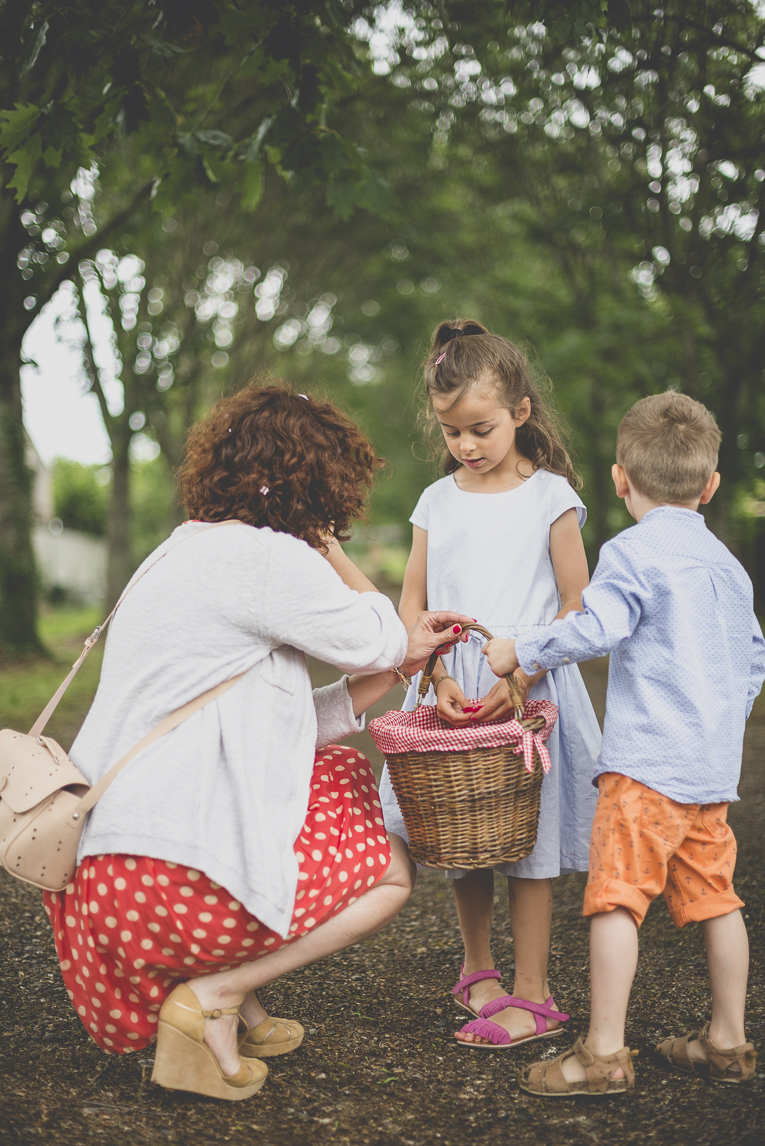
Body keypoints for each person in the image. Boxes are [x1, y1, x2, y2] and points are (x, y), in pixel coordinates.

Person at [43, 382, 471, 1102]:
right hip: (167, 881)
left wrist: (396, 664)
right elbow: (376, 629)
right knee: (391, 869)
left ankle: (235, 1018)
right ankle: (214, 993)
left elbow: (284, 721)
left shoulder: (178, 549)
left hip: (101, 881)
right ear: (318, 485)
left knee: (330, 769)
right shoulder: (272, 559)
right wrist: (333, 552)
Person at [483, 391, 765, 1095]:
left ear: (618, 479)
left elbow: (596, 627)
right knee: (717, 900)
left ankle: (602, 1054)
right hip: (707, 772)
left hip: (643, 769)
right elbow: (752, 657)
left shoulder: (631, 552)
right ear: (709, 486)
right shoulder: (727, 567)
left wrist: (522, 646)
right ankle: (728, 1040)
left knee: (615, 899)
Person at [379, 320, 601, 1049]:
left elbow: (577, 603)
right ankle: (478, 967)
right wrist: (437, 669)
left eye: (479, 428)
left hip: (528, 686)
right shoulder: (435, 501)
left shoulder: (551, 498)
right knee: (463, 828)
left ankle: (532, 993)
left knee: (524, 838)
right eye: (451, 433)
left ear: (520, 413)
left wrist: (526, 665)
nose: (465, 446)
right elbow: (413, 602)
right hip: (454, 683)